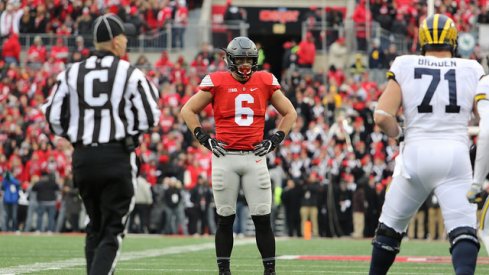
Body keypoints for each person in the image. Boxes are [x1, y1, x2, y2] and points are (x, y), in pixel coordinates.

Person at [42, 13, 160, 275]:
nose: (126, 42)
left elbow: (52, 115)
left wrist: (75, 137)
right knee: (112, 230)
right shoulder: (129, 72)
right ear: (116, 42)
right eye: (124, 37)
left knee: (95, 226)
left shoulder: (72, 72)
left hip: (83, 158)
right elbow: (150, 115)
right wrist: (128, 134)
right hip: (117, 156)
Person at [369, 14, 484, 275]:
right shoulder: (472, 68)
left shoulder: (405, 64)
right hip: (455, 154)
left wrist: (399, 134)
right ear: (453, 41)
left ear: (422, 40)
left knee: (389, 229)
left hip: (416, 154)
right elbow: (483, 119)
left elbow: (382, 117)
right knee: (463, 231)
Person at [180, 36, 297, 275]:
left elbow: (290, 112)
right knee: (225, 218)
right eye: (240, 59)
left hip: (254, 157)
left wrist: (275, 139)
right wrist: (204, 138)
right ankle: (224, 271)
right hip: (226, 157)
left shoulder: (264, 80)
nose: (245, 65)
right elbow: (188, 110)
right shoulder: (217, 81)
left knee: (262, 218)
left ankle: (270, 271)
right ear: (230, 60)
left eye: (249, 60)